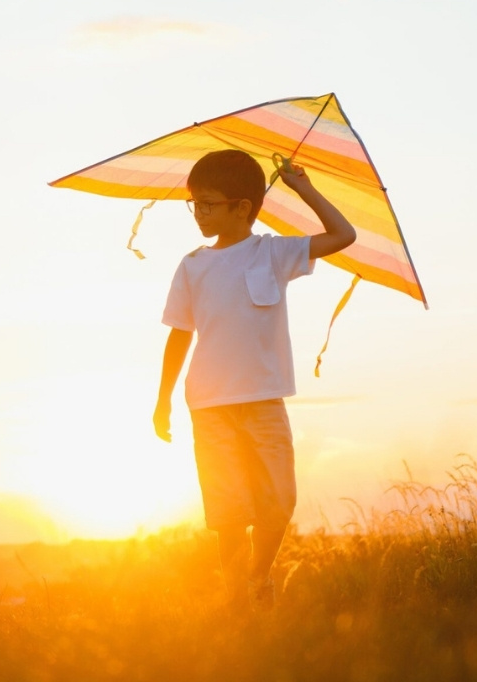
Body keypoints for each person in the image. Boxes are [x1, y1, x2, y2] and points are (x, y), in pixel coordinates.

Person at [152, 150, 356, 612]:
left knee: (277, 503)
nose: (198, 214)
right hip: (208, 404)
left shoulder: (274, 252)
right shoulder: (192, 265)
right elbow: (178, 336)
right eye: (194, 205)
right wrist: (162, 399)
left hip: (265, 401)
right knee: (227, 513)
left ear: (242, 207)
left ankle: (258, 577)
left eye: (207, 204)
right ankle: (236, 601)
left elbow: (344, 234)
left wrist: (303, 187)